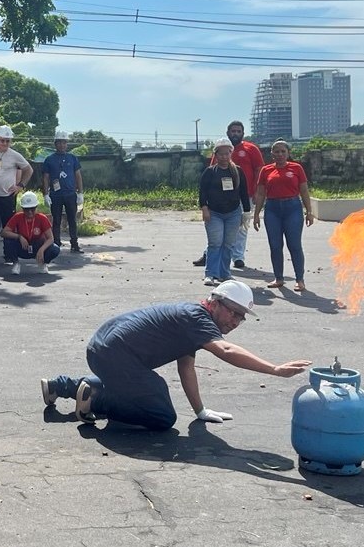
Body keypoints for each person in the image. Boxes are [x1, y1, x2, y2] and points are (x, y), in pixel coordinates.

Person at [41, 281, 310, 429]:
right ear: (215, 303)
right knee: (162, 415)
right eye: (233, 312)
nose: (236, 321)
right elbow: (225, 350)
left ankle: (61, 386)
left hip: (102, 350)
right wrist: (274, 369)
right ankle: (95, 401)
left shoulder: (193, 319)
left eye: (242, 317)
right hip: (115, 355)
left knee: (144, 388)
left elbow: (186, 368)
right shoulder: (198, 318)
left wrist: (200, 411)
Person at [195, 120, 263, 269]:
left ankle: (238, 257)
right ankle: (209, 256)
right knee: (216, 230)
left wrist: (258, 191)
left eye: (239, 131)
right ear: (228, 133)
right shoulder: (220, 150)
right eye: (233, 131)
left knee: (241, 227)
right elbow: (211, 172)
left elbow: (259, 170)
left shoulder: (251, 149)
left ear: (243, 133)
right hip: (220, 198)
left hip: (245, 195)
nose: (236, 134)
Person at [253, 140, 314, 292]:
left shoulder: (296, 168)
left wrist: (309, 212)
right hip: (272, 209)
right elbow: (260, 193)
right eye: (276, 151)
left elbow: (304, 191)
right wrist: (256, 215)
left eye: (283, 151)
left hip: (292, 208)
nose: (280, 154)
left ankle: (299, 279)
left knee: (294, 245)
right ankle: (278, 278)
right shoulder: (266, 170)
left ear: (288, 153)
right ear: (272, 154)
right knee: (275, 246)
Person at [199, 138, 250, 286]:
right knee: (215, 243)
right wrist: (204, 208)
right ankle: (210, 274)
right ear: (215, 155)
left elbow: (243, 193)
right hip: (214, 213)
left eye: (226, 154)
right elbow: (202, 192)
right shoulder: (210, 172)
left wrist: (246, 213)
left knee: (228, 244)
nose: (224, 157)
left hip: (233, 213)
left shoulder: (237, 171)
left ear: (231, 154)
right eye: (220, 154)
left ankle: (224, 273)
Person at [0, 125, 33, 265]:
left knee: (9, 227)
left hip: (7, 197)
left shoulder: (14, 155)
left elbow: (28, 169)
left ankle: (10, 255)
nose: (5, 143)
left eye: (8, 141)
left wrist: (20, 185)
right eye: (2, 140)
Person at [42, 130, 85, 253]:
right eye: (59, 142)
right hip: (55, 195)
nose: (62, 145)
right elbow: (45, 177)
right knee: (56, 220)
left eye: (64, 142)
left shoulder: (72, 158)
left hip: (70, 194)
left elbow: (78, 175)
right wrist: (45, 194)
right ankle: (56, 243)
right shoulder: (49, 159)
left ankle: (74, 243)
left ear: (67, 144)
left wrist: (80, 192)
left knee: (72, 219)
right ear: (55, 144)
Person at [1, 191, 59, 275]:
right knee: (8, 241)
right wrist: (19, 237)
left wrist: (41, 250)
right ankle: (16, 263)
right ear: (22, 208)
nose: (30, 212)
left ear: (36, 207)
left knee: (55, 249)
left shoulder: (42, 218)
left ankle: (43, 263)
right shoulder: (18, 217)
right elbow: (4, 232)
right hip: (23, 246)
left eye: (32, 209)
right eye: (27, 209)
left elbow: (51, 238)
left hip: (37, 246)